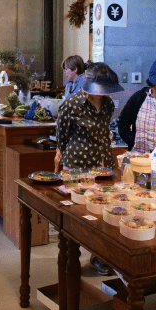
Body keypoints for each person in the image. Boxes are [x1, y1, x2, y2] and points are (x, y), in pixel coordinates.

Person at [55, 61, 123, 275]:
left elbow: (105, 132)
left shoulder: (108, 105)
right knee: (77, 213)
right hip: (76, 165)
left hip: (103, 164)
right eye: (97, 92)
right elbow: (62, 136)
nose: (99, 96)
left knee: (102, 211)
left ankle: (100, 256)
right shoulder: (70, 105)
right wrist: (66, 158)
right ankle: (70, 255)